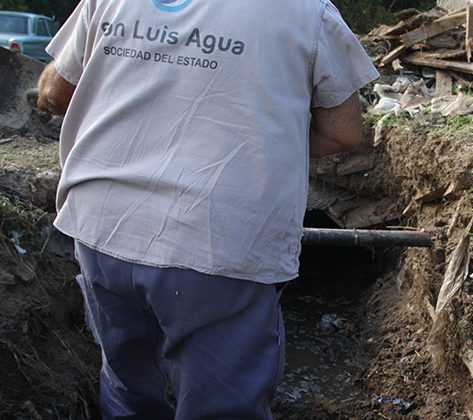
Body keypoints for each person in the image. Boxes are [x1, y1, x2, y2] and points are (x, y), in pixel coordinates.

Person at [37, 0, 379, 418]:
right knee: (222, 404)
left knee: (128, 383)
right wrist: (257, 147)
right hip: (217, 237)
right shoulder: (307, 12)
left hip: (101, 224)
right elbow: (343, 132)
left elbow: (54, 92)